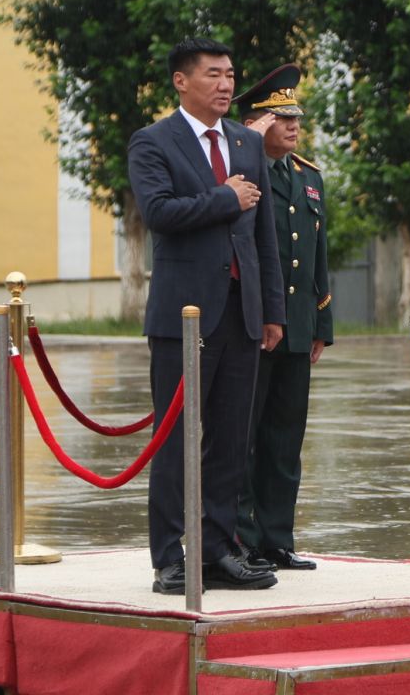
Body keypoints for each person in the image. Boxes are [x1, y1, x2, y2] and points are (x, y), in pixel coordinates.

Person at [128, 37, 286, 594]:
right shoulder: (153, 142)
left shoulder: (247, 142)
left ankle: (219, 548)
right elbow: (160, 213)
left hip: (241, 314)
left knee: (230, 438)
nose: (225, 84)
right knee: (174, 441)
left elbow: (263, 235)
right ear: (182, 81)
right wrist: (225, 197)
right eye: (213, 74)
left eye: (230, 74)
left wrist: (272, 310)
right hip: (183, 318)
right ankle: (169, 556)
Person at [233, 64, 333, 572]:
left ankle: (277, 538)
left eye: (296, 117)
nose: (293, 126)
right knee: (245, 437)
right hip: (255, 327)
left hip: (297, 327)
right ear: (255, 123)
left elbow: (318, 257)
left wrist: (322, 325)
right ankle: (242, 540)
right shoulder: (242, 173)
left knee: (284, 440)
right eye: (281, 118)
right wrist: (245, 154)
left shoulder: (308, 177)